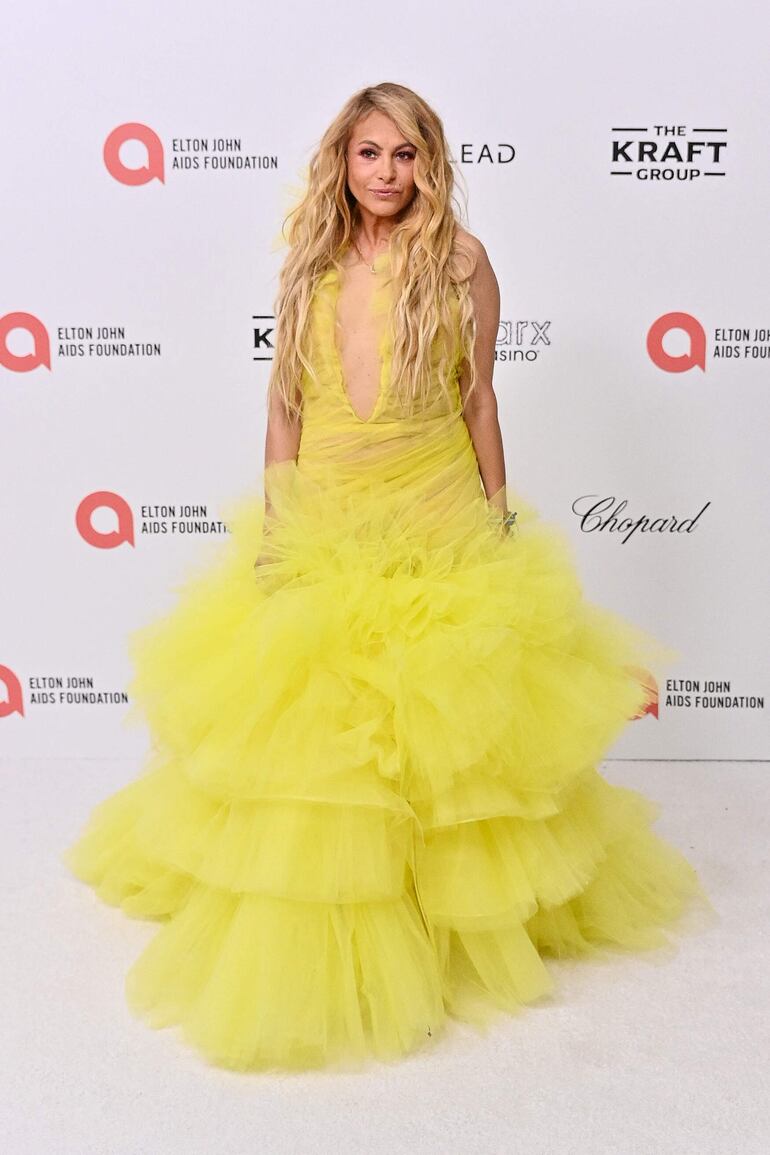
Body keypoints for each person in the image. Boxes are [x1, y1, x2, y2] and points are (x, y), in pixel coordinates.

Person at [62, 82, 711, 1074]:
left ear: (429, 164)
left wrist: (495, 510)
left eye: (403, 156)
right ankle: (348, 900)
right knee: (322, 711)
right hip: (327, 496)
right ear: (342, 159)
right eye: (368, 154)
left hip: (432, 494)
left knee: (443, 708)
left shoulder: (459, 262)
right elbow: (283, 403)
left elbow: (478, 394)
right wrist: (279, 521)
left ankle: (437, 909)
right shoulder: (311, 261)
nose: (385, 174)